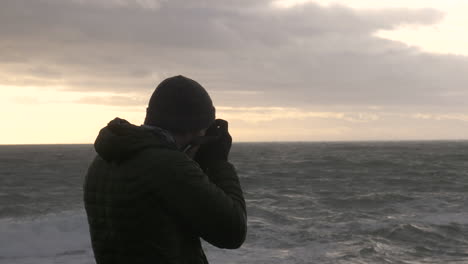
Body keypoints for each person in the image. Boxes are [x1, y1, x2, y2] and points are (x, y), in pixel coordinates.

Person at [83, 75, 247, 264]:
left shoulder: (104, 160)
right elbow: (232, 232)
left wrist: (193, 163)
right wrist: (219, 162)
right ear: (193, 130)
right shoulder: (170, 166)